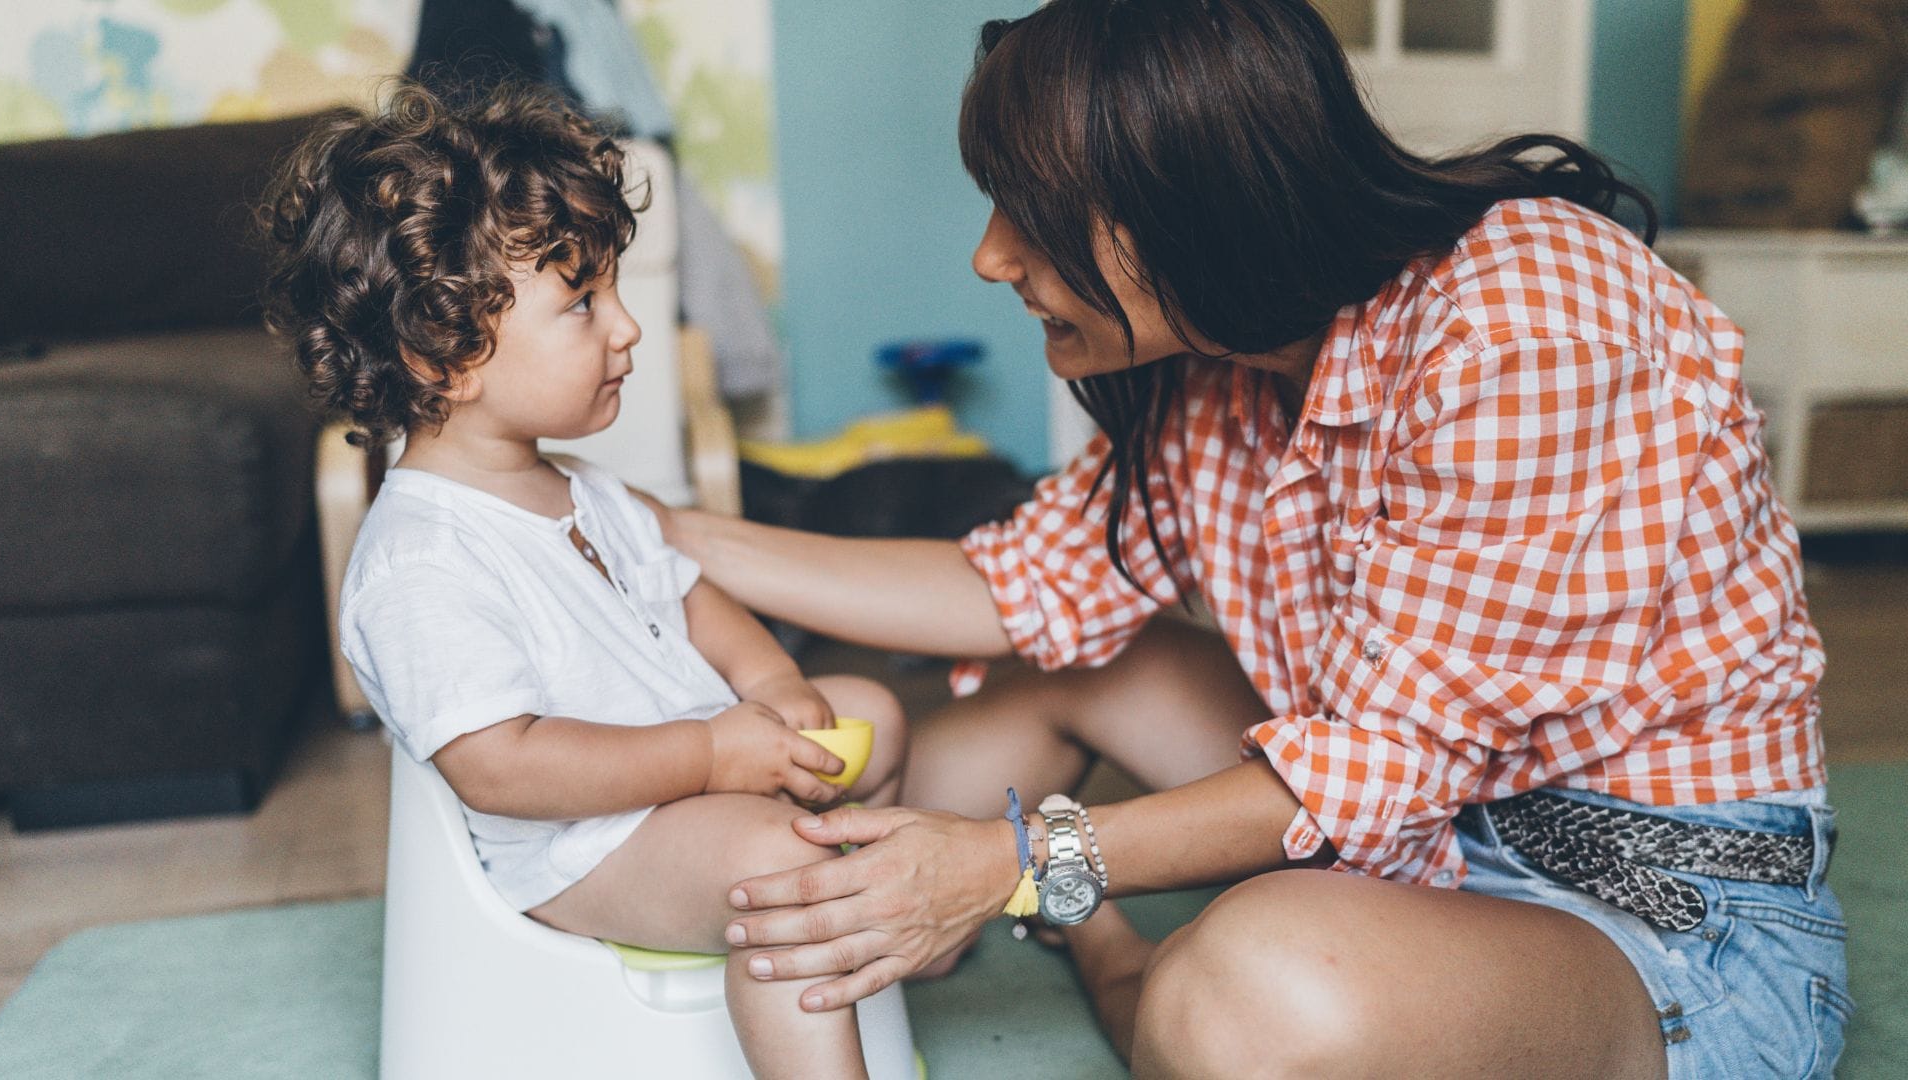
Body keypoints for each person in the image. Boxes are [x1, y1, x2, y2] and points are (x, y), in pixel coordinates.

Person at [641, 3, 1849, 1078]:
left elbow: (1380, 766)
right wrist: (660, 532)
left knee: (1245, 989)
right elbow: (1013, 584)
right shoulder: (1222, 364)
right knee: (1076, 671)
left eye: (1033, 215)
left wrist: (1008, 864)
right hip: (1428, 836)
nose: (991, 257)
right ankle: (814, 898)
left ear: (1192, 202)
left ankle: (1107, 958)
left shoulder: (1527, 322)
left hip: (1663, 918)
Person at [261, 81, 907, 1080]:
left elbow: (691, 596)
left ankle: (895, 955)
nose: (628, 329)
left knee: (876, 714)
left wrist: (773, 683)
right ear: (445, 354)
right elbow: (503, 768)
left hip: (695, 772)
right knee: (789, 869)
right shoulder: (421, 561)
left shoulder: (585, 489)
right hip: (585, 848)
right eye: (583, 304)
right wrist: (708, 754)